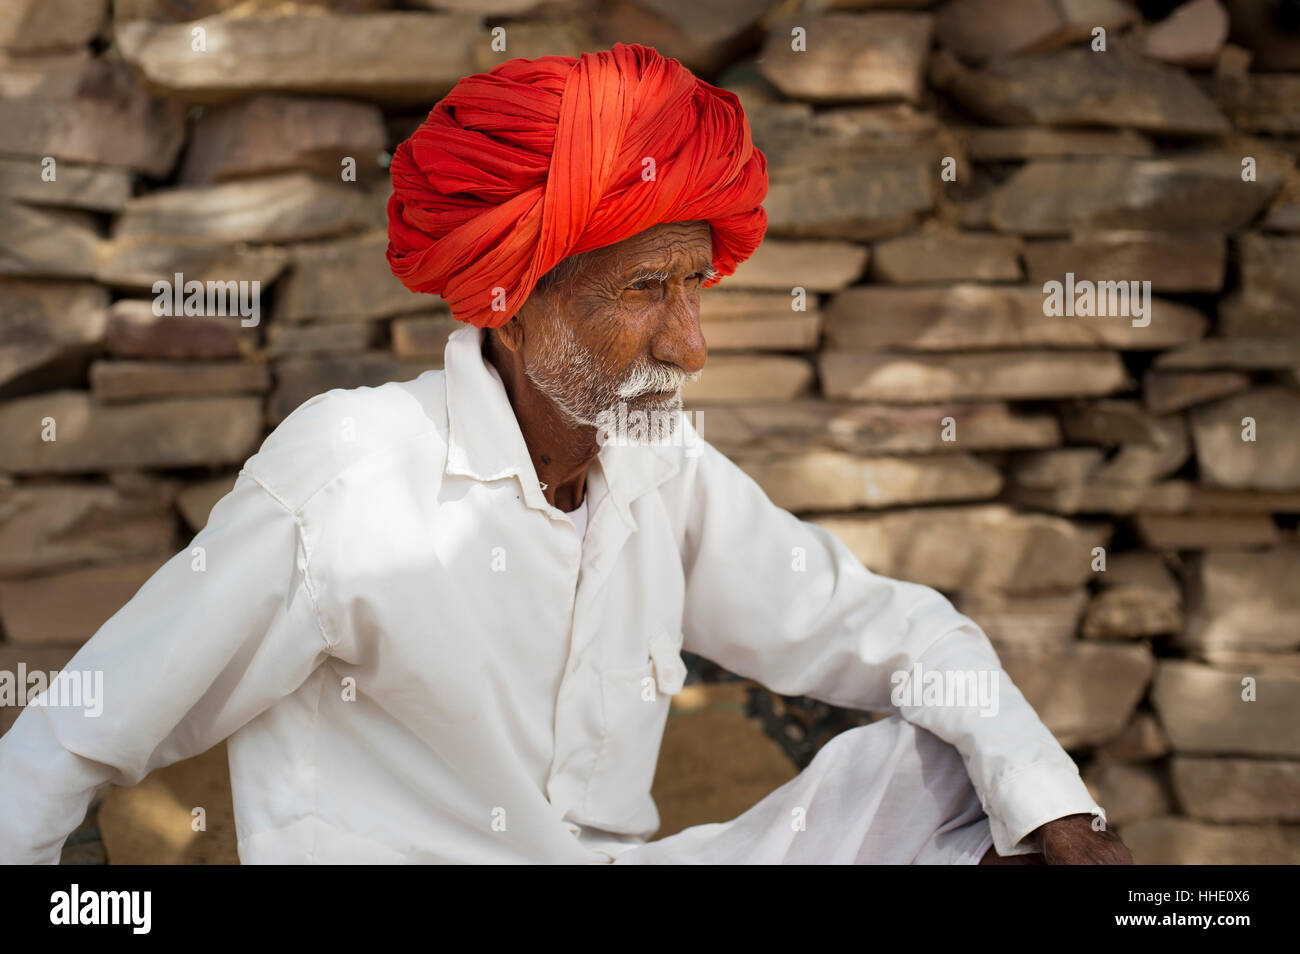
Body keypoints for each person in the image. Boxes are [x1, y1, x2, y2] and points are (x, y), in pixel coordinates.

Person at [0, 43, 1129, 865]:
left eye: (696, 286)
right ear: (509, 299)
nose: (689, 345)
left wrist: (1056, 810)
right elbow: (82, 725)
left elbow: (894, 635)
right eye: (646, 289)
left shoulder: (653, 463)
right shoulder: (351, 477)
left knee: (951, 771)